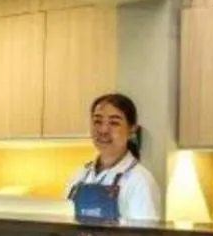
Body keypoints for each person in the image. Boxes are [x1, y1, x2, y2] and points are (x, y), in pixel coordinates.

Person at [64, 93, 162, 224]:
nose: (103, 130)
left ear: (132, 129)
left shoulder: (140, 181)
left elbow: (143, 235)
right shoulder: (78, 176)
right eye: (97, 121)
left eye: (114, 123)